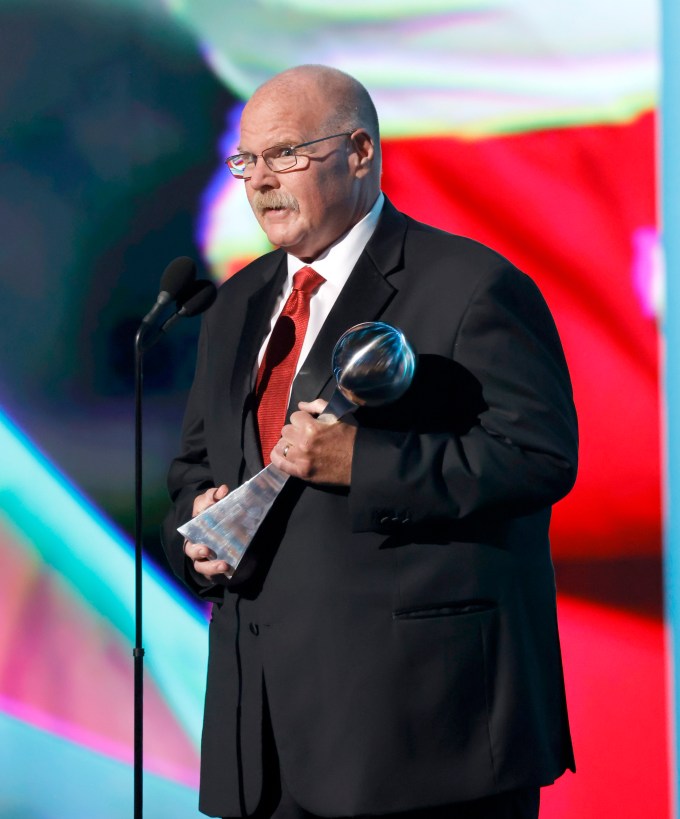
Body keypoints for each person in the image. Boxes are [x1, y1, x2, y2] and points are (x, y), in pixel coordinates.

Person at [162, 64, 578, 819]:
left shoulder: (471, 285)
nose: (260, 182)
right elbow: (197, 463)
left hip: (421, 734)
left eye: (286, 154)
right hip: (264, 740)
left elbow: (537, 456)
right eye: (246, 161)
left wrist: (363, 464)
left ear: (359, 152)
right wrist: (196, 522)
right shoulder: (239, 303)